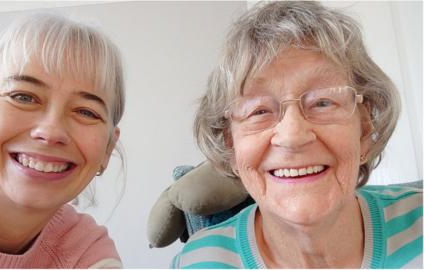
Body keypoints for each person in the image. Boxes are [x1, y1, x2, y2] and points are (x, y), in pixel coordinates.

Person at [172, 1, 422, 268]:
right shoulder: (196, 262)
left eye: (323, 102)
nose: (293, 136)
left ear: (364, 127)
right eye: (258, 111)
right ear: (230, 144)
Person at [0, 12, 125, 268]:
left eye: (86, 112)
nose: (51, 132)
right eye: (23, 97)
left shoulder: (88, 253)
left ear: (108, 149)